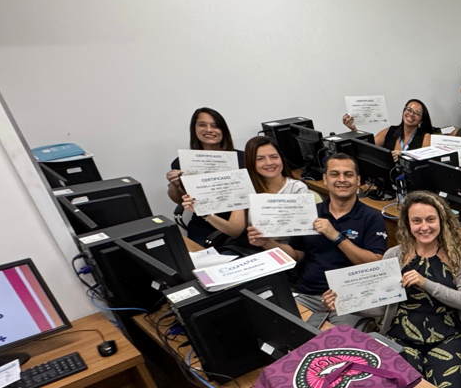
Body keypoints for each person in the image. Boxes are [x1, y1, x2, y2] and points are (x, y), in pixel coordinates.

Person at [321, 191, 461, 388]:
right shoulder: (394, 256)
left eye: (430, 219)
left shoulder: (458, 257)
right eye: (416, 221)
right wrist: (343, 303)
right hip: (400, 338)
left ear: (442, 220)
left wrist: (425, 283)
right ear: (407, 224)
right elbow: (381, 307)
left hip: (446, 339)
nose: (424, 227)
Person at [247, 153, 388, 316]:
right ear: (325, 179)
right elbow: (296, 256)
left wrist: (337, 237)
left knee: (338, 340)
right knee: (283, 329)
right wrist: (267, 243)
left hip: (349, 298)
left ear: (358, 181)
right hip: (307, 295)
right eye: (334, 174)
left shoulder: (371, 217)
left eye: (348, 174)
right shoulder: (310, 213)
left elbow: (376, 265)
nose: (341, 179)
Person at [181, 136, 311, 239]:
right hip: (254, 248)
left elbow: (300, 235)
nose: (269, 163)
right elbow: (235, 231)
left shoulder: (297, 189)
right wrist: (206, 213)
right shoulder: (244, 187)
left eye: (274, 157)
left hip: (286, 250)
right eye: (260, 159)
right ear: (251, 162)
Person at [166, 107, 245, 248]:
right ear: (194, 129)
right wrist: (174, 185)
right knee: (197, 259)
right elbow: (179, 200)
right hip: (203, 220)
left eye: (215, 126)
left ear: (223, 131)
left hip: (240, 218)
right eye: (202, 125)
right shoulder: (183, 162)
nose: (209, 129)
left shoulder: (242, 158)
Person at [342, 99, 436, 160]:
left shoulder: (425, 136)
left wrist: (404, 155)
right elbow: (367, 147)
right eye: (409, 110)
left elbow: (425, 160)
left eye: (417, 113)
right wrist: (354, 130)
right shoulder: (390, 131)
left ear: (421, 120)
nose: (411, 114)